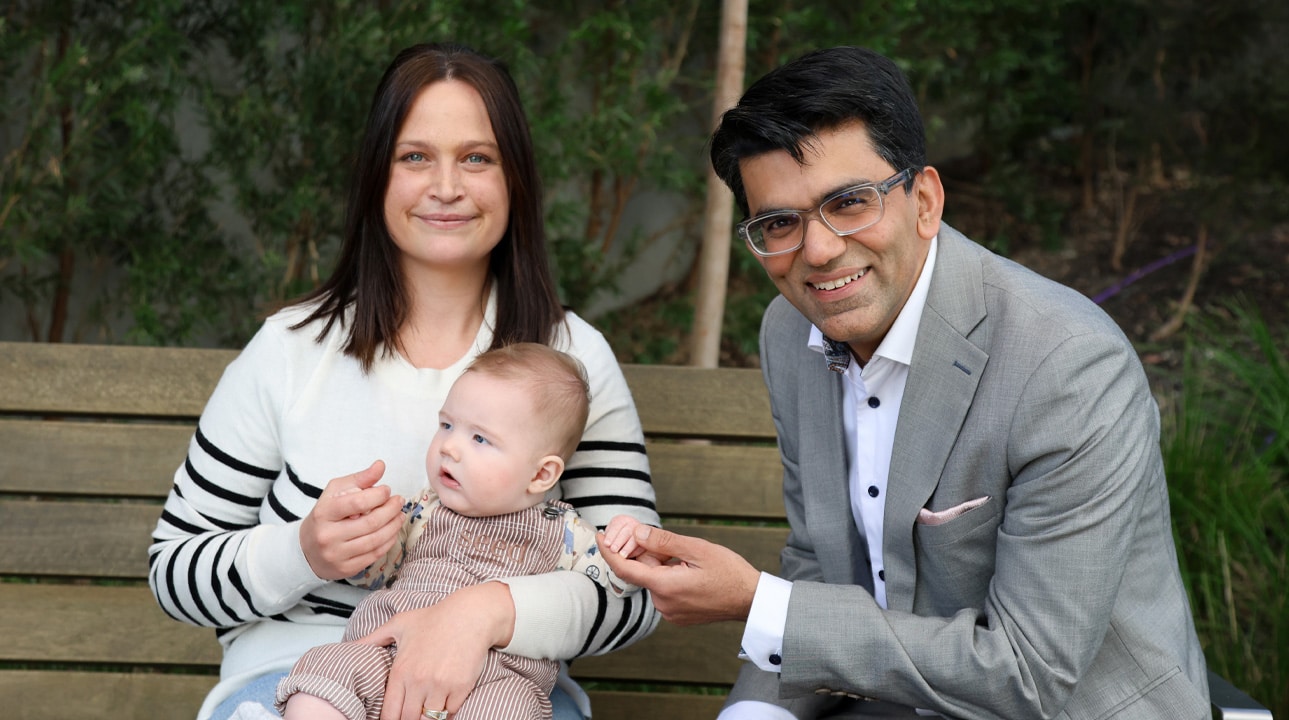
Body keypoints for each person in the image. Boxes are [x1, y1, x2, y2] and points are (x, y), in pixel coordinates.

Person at [600, 46, 1210, 719]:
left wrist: (757, 604)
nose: (819, 249)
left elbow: (1028, 675)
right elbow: (821, 562)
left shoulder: (1065, 364)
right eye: (779, 223)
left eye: (847, 202)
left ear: (923, 200)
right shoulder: (788, 334)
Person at [148, 42, 659, 720]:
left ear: (515, 180)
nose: (446, 187)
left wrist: (486, 612)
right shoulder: (290, 350)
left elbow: (642, 588)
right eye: (415, 156)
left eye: (476, 158)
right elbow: (174, 574)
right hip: (300, 677)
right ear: (376, 177)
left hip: (495, 684)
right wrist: (301, 551)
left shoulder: (570, 357)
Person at [276, 344, 641, 720]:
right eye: (447, 425)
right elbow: (376, 571)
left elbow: (613, 585)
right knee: (324, 672)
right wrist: (358, 536)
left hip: (498, 679)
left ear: (541, 474)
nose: (449, 446)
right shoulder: (423, 510)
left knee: (510, 710)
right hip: (387, 654)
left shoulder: (566, 533)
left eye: (479, 438)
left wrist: (626, 546)